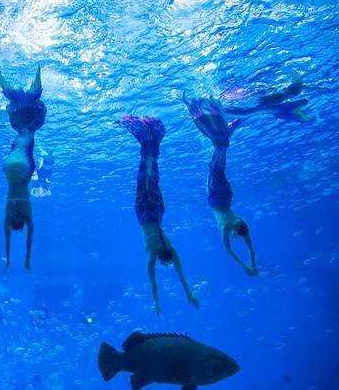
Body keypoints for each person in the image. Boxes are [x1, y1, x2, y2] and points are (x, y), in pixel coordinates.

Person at [118, 116, 199, 315]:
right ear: (161, 259)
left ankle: (152, 142)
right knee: (143, 177)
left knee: (153, 177)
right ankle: (146, 141)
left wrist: (190, 294)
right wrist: (156, 303)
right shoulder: (154, 253)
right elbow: (152, 280)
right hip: (145, 212)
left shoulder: (171, 249)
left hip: (158, 210)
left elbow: (181, 275)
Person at [185, 95, 258, 276]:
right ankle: (221, 134)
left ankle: (231, 127)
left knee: (219, 168)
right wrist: (245, 267)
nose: (236, 238)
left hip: (227, 196)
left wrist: (253, 265)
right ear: (235, 231)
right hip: (215, 198)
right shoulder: (227, 228)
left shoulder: (241, 223)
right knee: (215, 165)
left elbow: (251, 249)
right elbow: (229, 251)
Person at [0, 67, 46, 272]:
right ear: (12, 223)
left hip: (24, 171)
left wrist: (27, 258)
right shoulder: (9, 215)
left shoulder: (26, 214)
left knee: (27, 140)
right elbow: (7, 239)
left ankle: (30, 95)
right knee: (19, 141)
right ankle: (14, 96)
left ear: (23, 223)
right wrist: (8, 260)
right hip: (9, 170)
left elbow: (30, 237)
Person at [223, 79, 312, 123]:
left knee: (243, 112)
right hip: (259, 104)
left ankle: (224, 111)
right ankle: (223, 112)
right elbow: (304, 101)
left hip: (258, 102)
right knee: (244, 113)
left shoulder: (277, 91)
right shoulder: (279, 97)